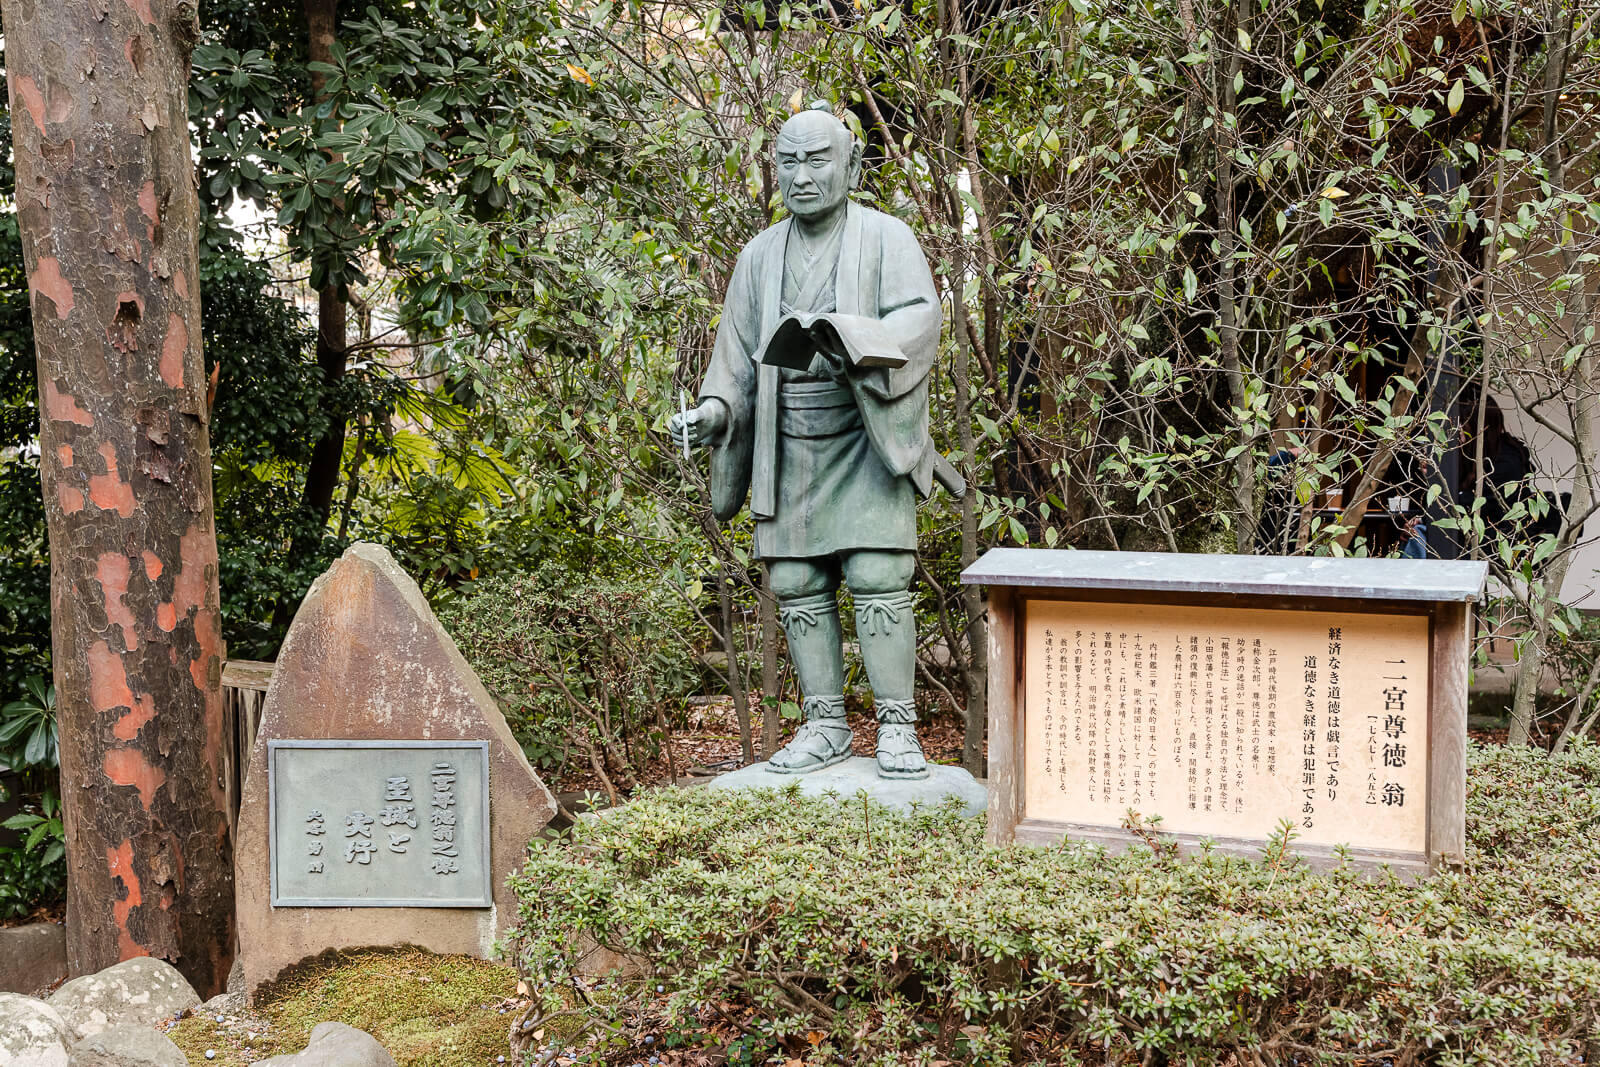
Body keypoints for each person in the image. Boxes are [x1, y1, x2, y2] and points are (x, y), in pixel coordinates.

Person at [669, 104, 961, 780]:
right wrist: (712, 415)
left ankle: (897, 726)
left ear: (852, 164)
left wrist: (860, 346)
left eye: (817, 159)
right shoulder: (759, 255)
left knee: (877, 573)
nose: (800, 176)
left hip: (866, 430)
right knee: (797, 579)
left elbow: (922, 317)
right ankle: (825, 723)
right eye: (788, 162)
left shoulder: (889, 238)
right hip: (788, 438)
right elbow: (735, 362)